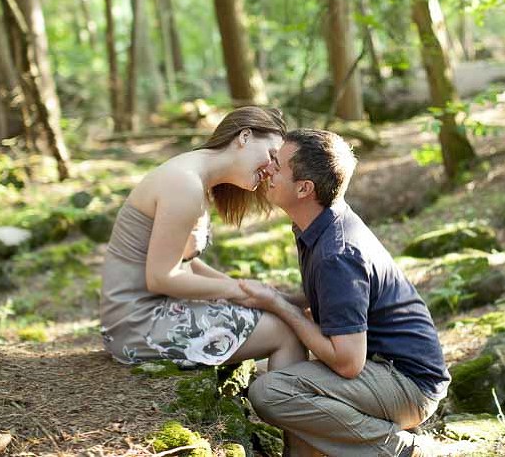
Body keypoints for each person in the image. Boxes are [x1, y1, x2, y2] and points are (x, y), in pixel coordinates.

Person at [235, 129, 449, 457]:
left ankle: (403, 450)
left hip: (408, 383)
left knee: (270, 391)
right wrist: (268, 297)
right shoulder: (320, 223)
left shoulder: (337, 252)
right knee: (276, 373)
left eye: (277, 165)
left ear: (305, 188)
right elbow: (330, 296)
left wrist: (278, 304)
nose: (268, 169)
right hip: (383, 369)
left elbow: (348, 363)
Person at [99, 106, 306, 373]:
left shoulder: (193, 177)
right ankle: (289, 407)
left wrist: (245, 289)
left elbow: (185, 263)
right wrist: (240, 293)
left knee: (284, 316)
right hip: (137, 325)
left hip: (144, 316)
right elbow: (162, 278)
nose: (271, 169)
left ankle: (274, 391)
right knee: (285, 331)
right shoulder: (184, 184)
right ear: (244, 137)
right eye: (271, 155)